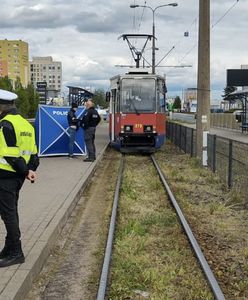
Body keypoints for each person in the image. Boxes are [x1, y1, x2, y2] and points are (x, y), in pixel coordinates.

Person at [0, 89, 39, 267]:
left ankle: (16, 252)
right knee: (11, 211)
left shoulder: (4, 125)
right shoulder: (26, 125)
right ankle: (9, 248)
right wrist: (29, 170)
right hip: (18, 178)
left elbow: (10, 155)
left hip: (5, 176)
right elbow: (34, 154)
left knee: (8, 214)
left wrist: (25, 171)